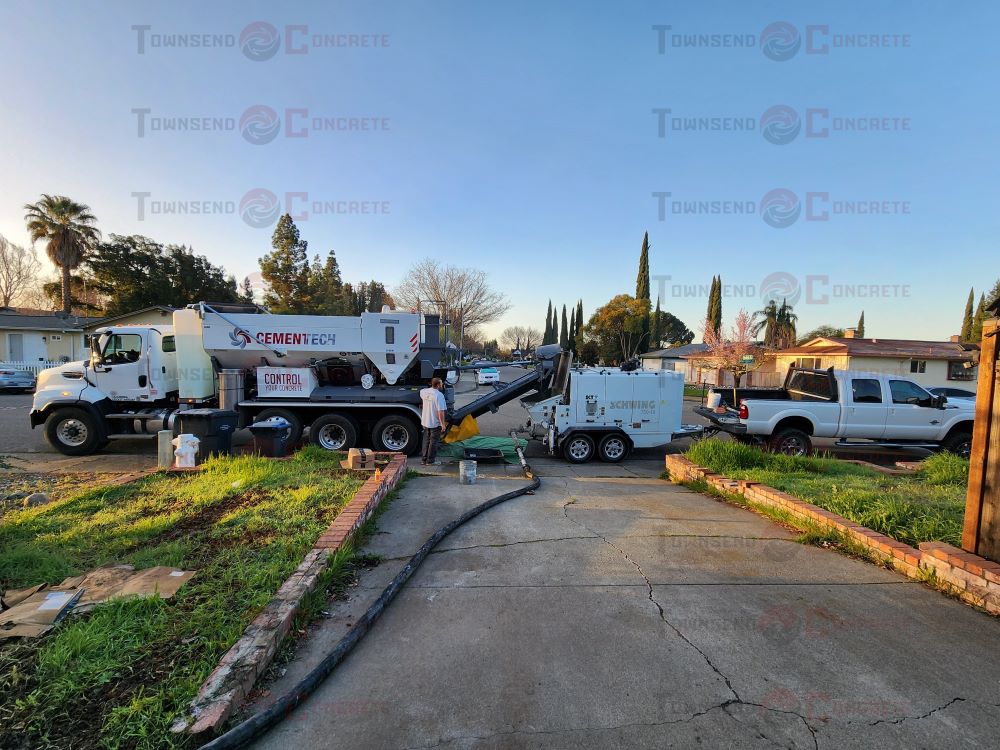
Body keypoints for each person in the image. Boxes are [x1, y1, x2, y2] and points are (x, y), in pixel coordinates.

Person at [419, 377, 448, 465]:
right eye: (441, 383)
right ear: (438, 385)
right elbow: (441, 411)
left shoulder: (424, 392)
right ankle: (430, 461)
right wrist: (443, 424)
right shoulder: (439, 395)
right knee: (433, 442)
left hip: (425, 421)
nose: (442, 384)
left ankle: (424, 460)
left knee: (426, 440)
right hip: (434, 422)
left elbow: (421, 393)